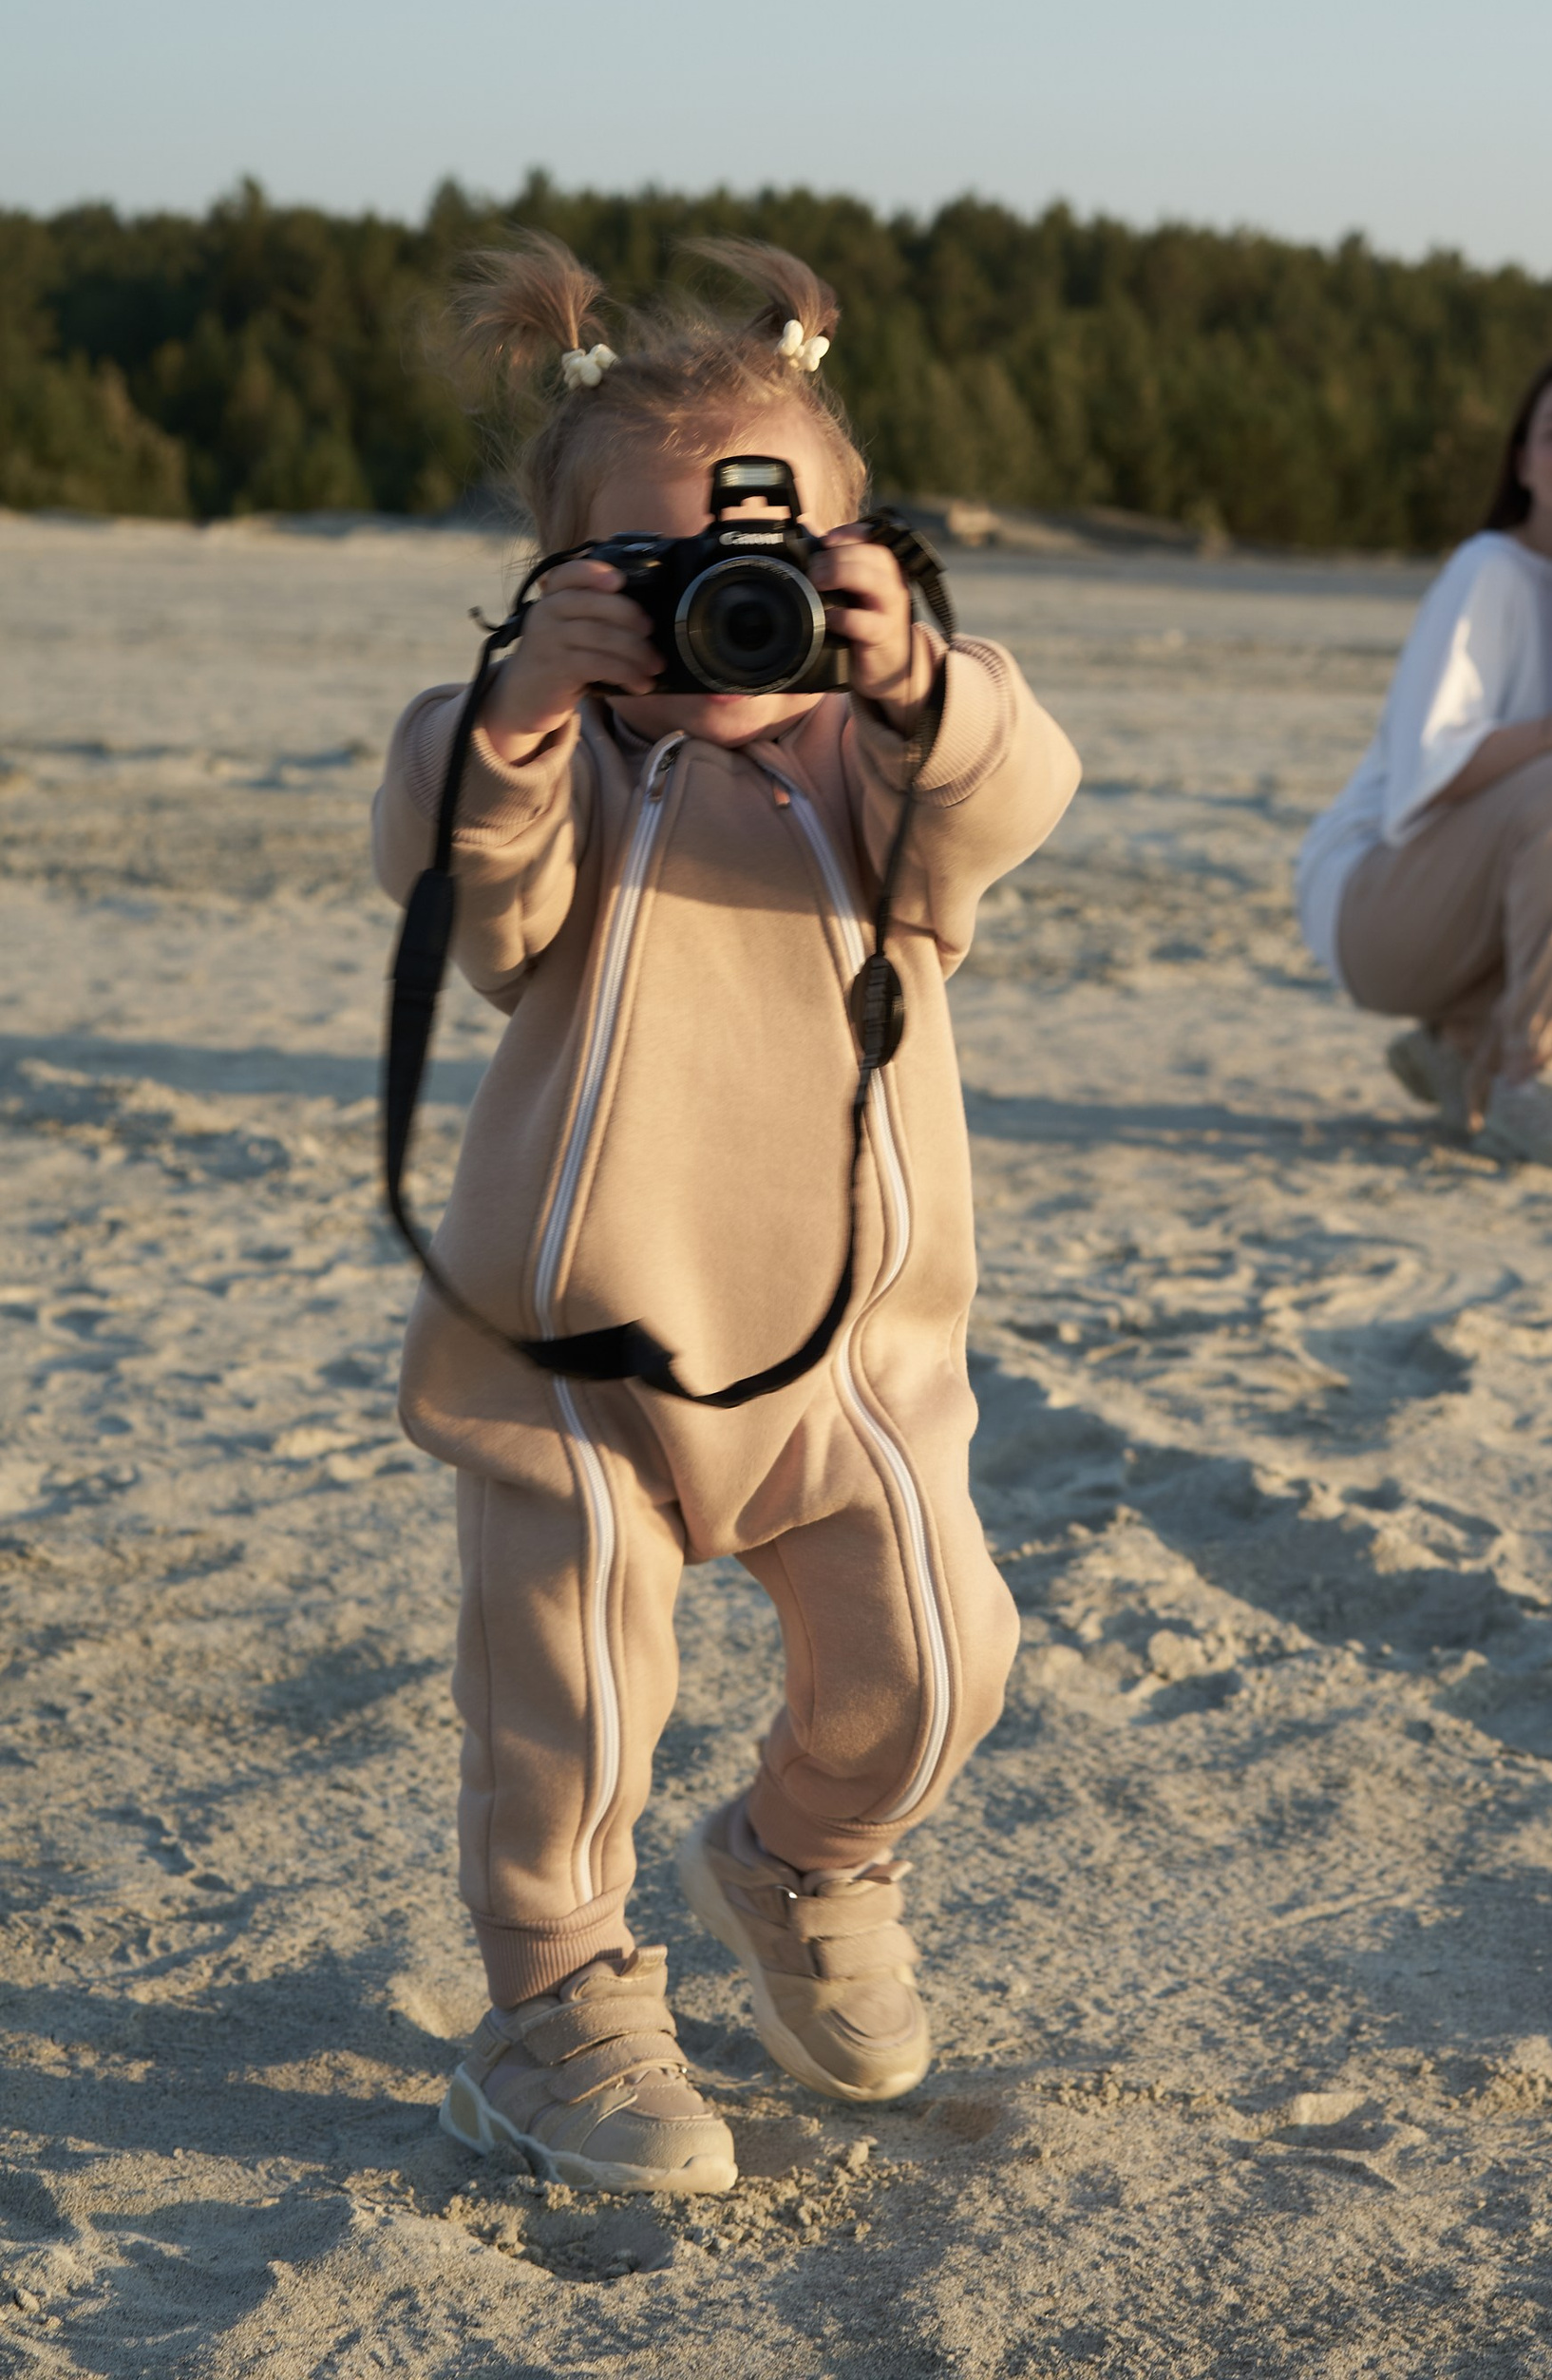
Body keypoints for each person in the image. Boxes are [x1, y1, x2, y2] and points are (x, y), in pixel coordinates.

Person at [372, 235, 1078, 2197]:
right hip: (575, 1363)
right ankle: (556, 2005)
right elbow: (461, 875)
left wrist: (918, 676)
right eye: (670, 582)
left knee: (937, 1669)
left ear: (862, 562)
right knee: (569, 1722)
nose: (727, 621)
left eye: (773, 564)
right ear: (571, 585)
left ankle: (800, 1864)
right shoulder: (563, 770)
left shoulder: (878, 775)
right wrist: (523, 707)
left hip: (849, 1363)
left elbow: (1015, 785)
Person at [1296, 351, 1552, 1172]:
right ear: (1522, 459)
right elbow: (1429, 772)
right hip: (1381, 901)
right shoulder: (1487, 569)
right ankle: (1533, 1079)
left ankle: (1462, 1052)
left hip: (1513, 916)